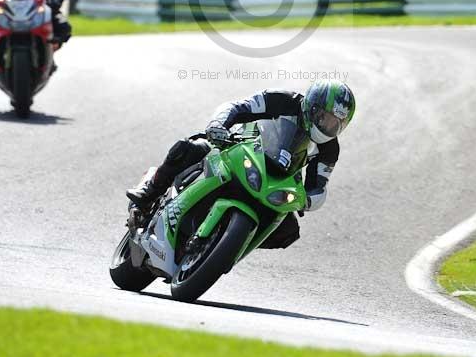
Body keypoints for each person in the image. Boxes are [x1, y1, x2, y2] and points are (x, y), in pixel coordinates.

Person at [127, 81, 356, 250]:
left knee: (288, 232)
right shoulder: (283, 99)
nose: (329, 126)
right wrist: (219, 125)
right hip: (239, 148)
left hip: (275, 183)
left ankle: (225, 245)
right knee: (189, 148)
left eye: (337, 124)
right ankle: (151, 189)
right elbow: (237, 107)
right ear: (313, 107)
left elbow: (318, 186)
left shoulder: (329, 149)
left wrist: (306, 200)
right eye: (326, 118)